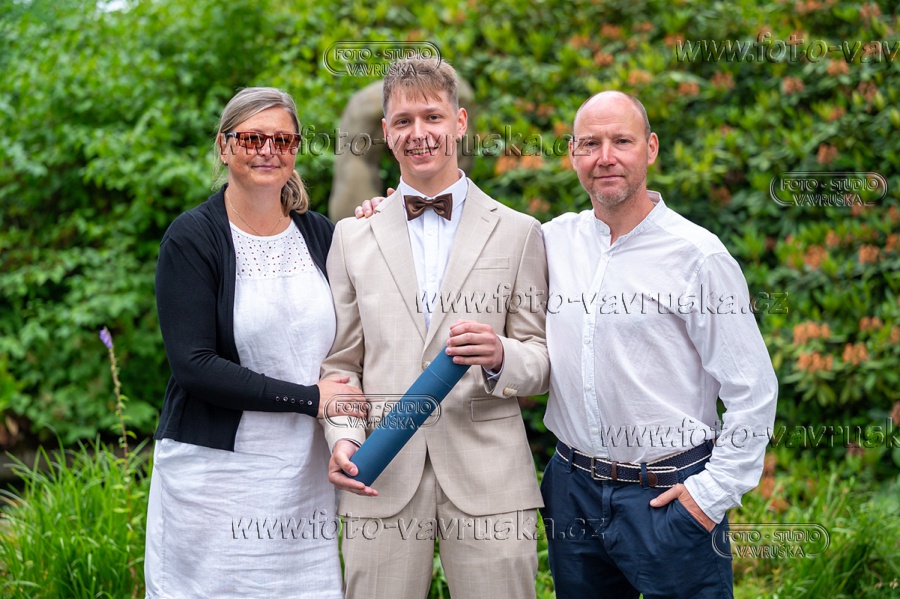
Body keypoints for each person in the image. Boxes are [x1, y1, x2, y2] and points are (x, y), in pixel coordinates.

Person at [322, 58, 550, 599]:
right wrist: (344, 438)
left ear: (460, 122)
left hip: (491, 483)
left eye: (432, 117)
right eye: (403, 121)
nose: (418, 133)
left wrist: (501, 355)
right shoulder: (351, 237)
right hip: (380, 477)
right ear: (386, 132)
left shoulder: (519, 232)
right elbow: (341, 366)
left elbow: (541, 360)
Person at [539, 91, 777, 598]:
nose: (605, 156)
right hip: (572, 492)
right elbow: (474, 241)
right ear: (573, 154)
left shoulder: (698, 256)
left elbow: (753, 391)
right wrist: (389, 211)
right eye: (590, 143)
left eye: (621, 141)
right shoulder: (551, 241)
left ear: (650, 148)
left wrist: (710, 496)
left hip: (669, 496)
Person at [145, 87, 364, 599]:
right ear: (224, 147)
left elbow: (353, 338)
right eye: (252, 138)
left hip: (303, 478)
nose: (268, 150)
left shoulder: (322, 235)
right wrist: (310, 399)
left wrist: (378, 217)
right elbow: (194, 365)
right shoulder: (192, 238)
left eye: (283, 140)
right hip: (215, 479)